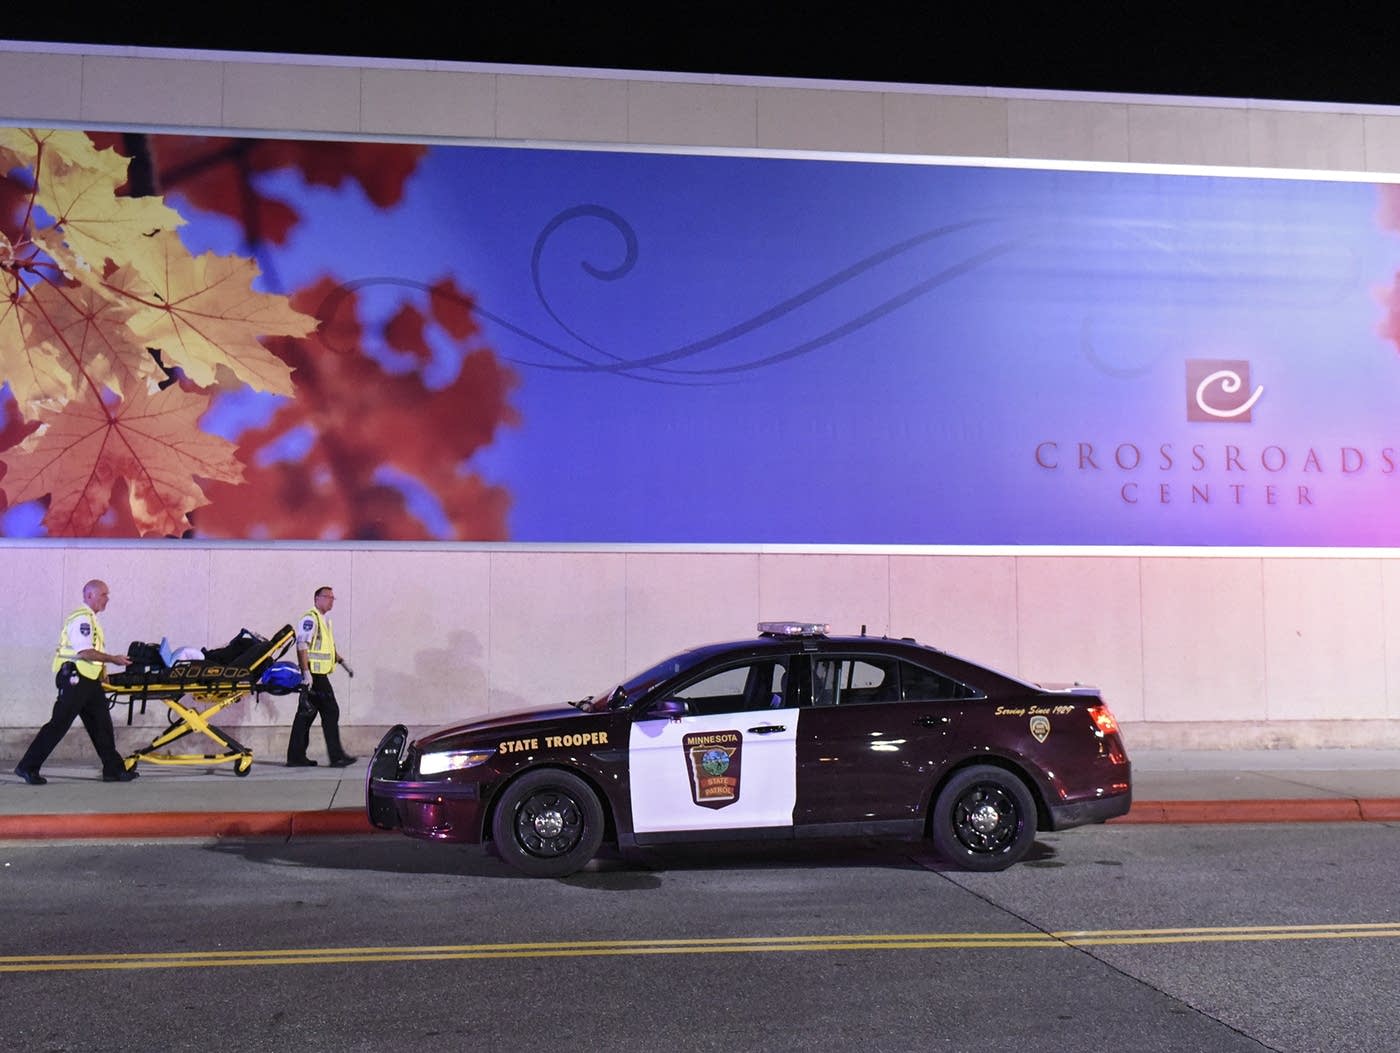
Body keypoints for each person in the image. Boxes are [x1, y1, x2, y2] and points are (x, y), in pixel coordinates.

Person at [14, 580, 138, 785]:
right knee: (59, 724)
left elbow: (92, 652)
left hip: (88, 679)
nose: (107, 599)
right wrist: (113, 659)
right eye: (104, 595)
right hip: (75, 678)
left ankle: (113, 770)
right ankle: (27, 767)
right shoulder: (81, 619)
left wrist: (102, 670)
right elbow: (84, 652)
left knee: (102, 724)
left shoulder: (92, 619)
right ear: (90, 595)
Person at [287, 585, 357, 768]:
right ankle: (336, 756)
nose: (331, 600)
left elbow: (326, 648)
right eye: (328, 597)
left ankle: (296, 756)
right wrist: (306, 673)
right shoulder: (310, 618)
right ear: (317, 598)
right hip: (315, 675)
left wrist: (342, 662)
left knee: (306, 714)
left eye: (333, 598)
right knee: (331, 711)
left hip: (319, 674)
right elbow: (302, 645)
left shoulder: (325, 620)